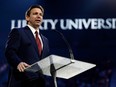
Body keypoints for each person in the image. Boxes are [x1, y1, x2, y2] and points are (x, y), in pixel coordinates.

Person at [5, 5, 50, 87]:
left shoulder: (45, 40)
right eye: (35, 13)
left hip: (40, 83)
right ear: (27, 18)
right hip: (22, 81)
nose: (39, 16)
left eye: (41, 14)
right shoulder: (18, 32)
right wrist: (18, 62)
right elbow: (10, 51)